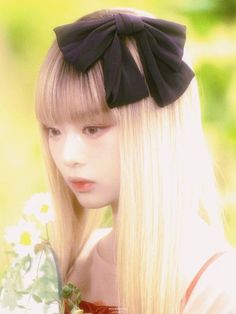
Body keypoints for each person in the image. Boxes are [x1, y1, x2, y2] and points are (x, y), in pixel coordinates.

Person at [34, 7, 236, 314]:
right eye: (54, 130)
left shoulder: (217, 285)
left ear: (153, 131)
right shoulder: (68, 268)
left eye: (92, 129)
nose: (67, 157)